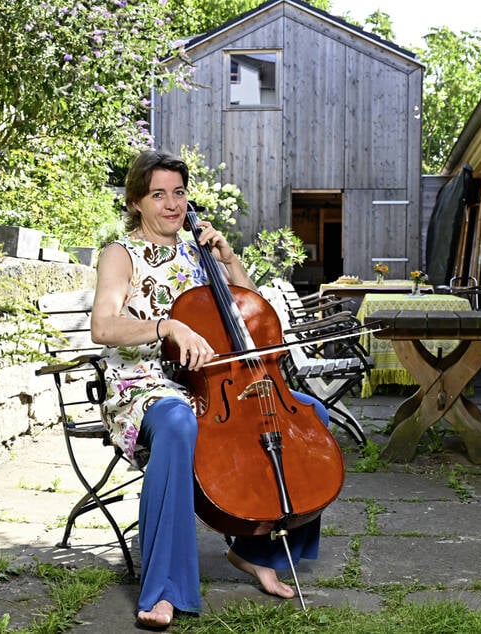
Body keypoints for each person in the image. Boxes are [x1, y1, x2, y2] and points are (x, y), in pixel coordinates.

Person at [90, 150, 331, 629]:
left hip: (212, 384)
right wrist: (167, 327)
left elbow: (253, 314)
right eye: (158, 194)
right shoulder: (121, 254)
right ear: (137, 201)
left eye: (178, 192)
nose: (172, 203)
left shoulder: (198, 253)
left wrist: (229, 259)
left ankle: (256, 549)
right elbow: (103, 326)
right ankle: (163, 590)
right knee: (178, 423)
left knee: (310, 416)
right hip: (145, 387)